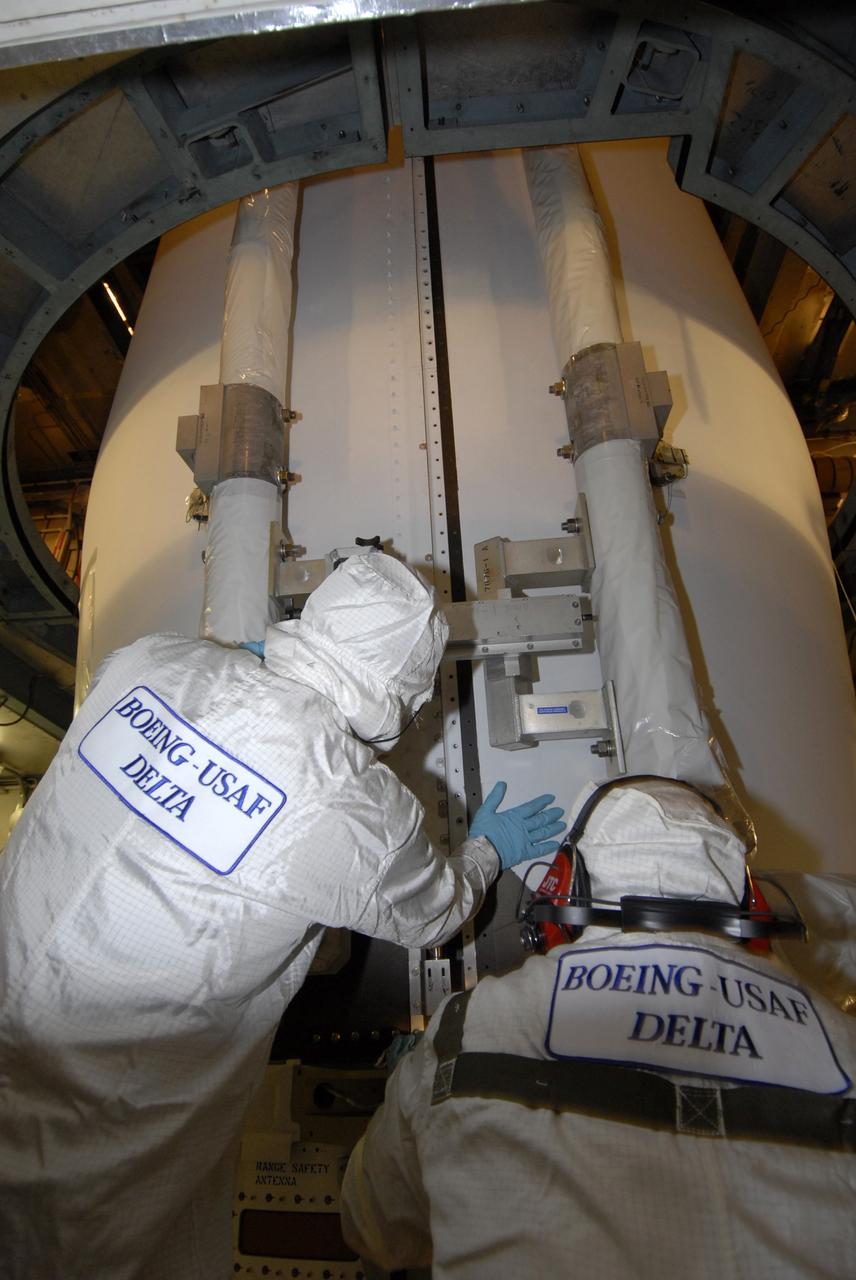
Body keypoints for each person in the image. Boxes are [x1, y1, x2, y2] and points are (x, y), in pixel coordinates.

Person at [0, 551, 564, 1280]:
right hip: (99, 1131)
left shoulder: (151, 659)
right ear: (400, 693)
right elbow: (435, 913)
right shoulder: (353, 804)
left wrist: (232, 663)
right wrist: (489, 849)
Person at [341, 776, 856, 1280]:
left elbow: (372, 1227)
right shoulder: (844, 1044)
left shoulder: (473, 1026)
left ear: (562, 884)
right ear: (751, 900)